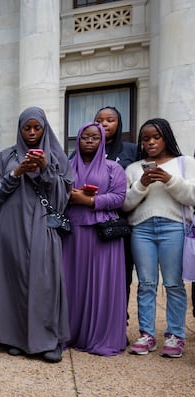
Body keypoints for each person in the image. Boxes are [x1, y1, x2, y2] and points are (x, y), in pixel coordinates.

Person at [0, 106, 72, 363]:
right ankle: (14, 338)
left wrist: (45, 168)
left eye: (37, 127)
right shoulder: (5, 156)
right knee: (12, 279)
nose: (32, 132)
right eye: (27, 127)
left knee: (43, 281)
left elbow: (61, 198)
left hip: (41, 225)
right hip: (9, 226)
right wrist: (16, 172)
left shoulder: (57, 156)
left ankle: (47, 340)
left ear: (44, 128)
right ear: (20, 129)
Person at [122, 118, 195, 358]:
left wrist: (169, 179)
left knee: (173, 283)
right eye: (146, 138)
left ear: (167, 138)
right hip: (141, 229)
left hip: (174, 227)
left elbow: (192, 197)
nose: (151, 142)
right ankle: (147, 334)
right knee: (146, 283)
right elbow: (124, 205)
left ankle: (175, 336)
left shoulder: (185, 163)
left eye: (156, 137)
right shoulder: (133, 168)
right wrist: (141, 185)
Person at [62, 122, 127, 356]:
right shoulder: (67, 167)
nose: (89, 141)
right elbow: (56, 194)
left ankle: (101, 337)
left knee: (102, 284)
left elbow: (120, 197)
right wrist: (69, 197)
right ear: (77, 140)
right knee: (72, 283)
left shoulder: (113, 168)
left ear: (102, 141)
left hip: (103, 234)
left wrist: (90, 201)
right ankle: (70, 333)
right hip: (73, 232)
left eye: (94, 138)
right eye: (84, 138)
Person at [94, 106, 138, 311]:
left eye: (109, 120)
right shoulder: (85, 148)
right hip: (91, 222)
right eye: (99, 120)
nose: (104, 124)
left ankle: (119, 318)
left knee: (121, 274)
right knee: (94, 275)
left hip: (123, 223)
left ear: (119, 123)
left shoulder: (131, 150)